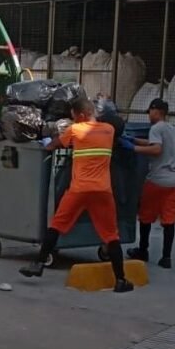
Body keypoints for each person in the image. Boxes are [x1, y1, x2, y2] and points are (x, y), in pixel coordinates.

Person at [19, 97, 134, 293]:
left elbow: (53, 144)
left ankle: (38, 264)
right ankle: (121, 280)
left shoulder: (75, 130)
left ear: (80, 115)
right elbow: (115, 123)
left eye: (73, 116)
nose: (72, 120)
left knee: (56, 226)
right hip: (102, 191)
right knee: (111, 235)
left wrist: (47, 142)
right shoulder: (109, 130)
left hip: (79, 190)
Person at [119, 98, 175, 269]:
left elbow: (156, 149)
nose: (148, 115)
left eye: (149, 111)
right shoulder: (170, 128)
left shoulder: (156, 127)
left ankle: (143, 250)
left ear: (156, 111)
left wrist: (133, 148)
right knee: (169, 220)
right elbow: (155, 143)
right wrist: (134, 140)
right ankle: (166, 257)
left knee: (145, 217)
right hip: (173, 182)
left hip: (156, 181)